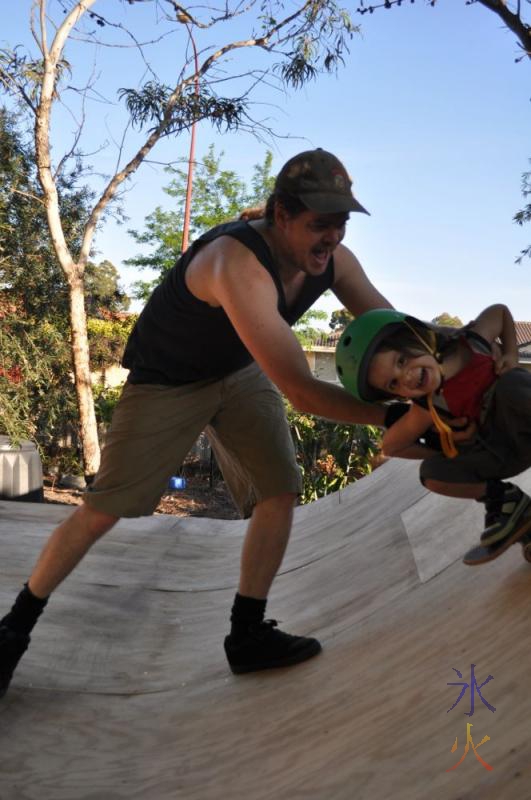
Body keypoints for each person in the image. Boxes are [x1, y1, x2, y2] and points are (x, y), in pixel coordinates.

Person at [1, 148, 401, 697]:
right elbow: (303, 392)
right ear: (282, 215)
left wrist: (455, 348)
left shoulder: (336, 261)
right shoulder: (235, 261)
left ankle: (248, 634)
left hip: (238, 372)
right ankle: (13, 630)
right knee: (103, 511)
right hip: (167, 380)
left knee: (277, 490)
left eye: (340, 223)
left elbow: (391, 328)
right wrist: (392, 416)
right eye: (319, 224)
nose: (331, 237)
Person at [335, 304, 531, 548]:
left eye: (402, 360)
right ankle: (512, 507)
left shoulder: (472, 344)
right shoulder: (427, 407)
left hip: (523, 417)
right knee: (432, 474)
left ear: (418, 337)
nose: (405, 377)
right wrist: (446, 445)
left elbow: (499, 312)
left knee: (511, 386)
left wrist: (511, 354)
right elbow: (392, 445)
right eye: (393, 384)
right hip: (500, 452)